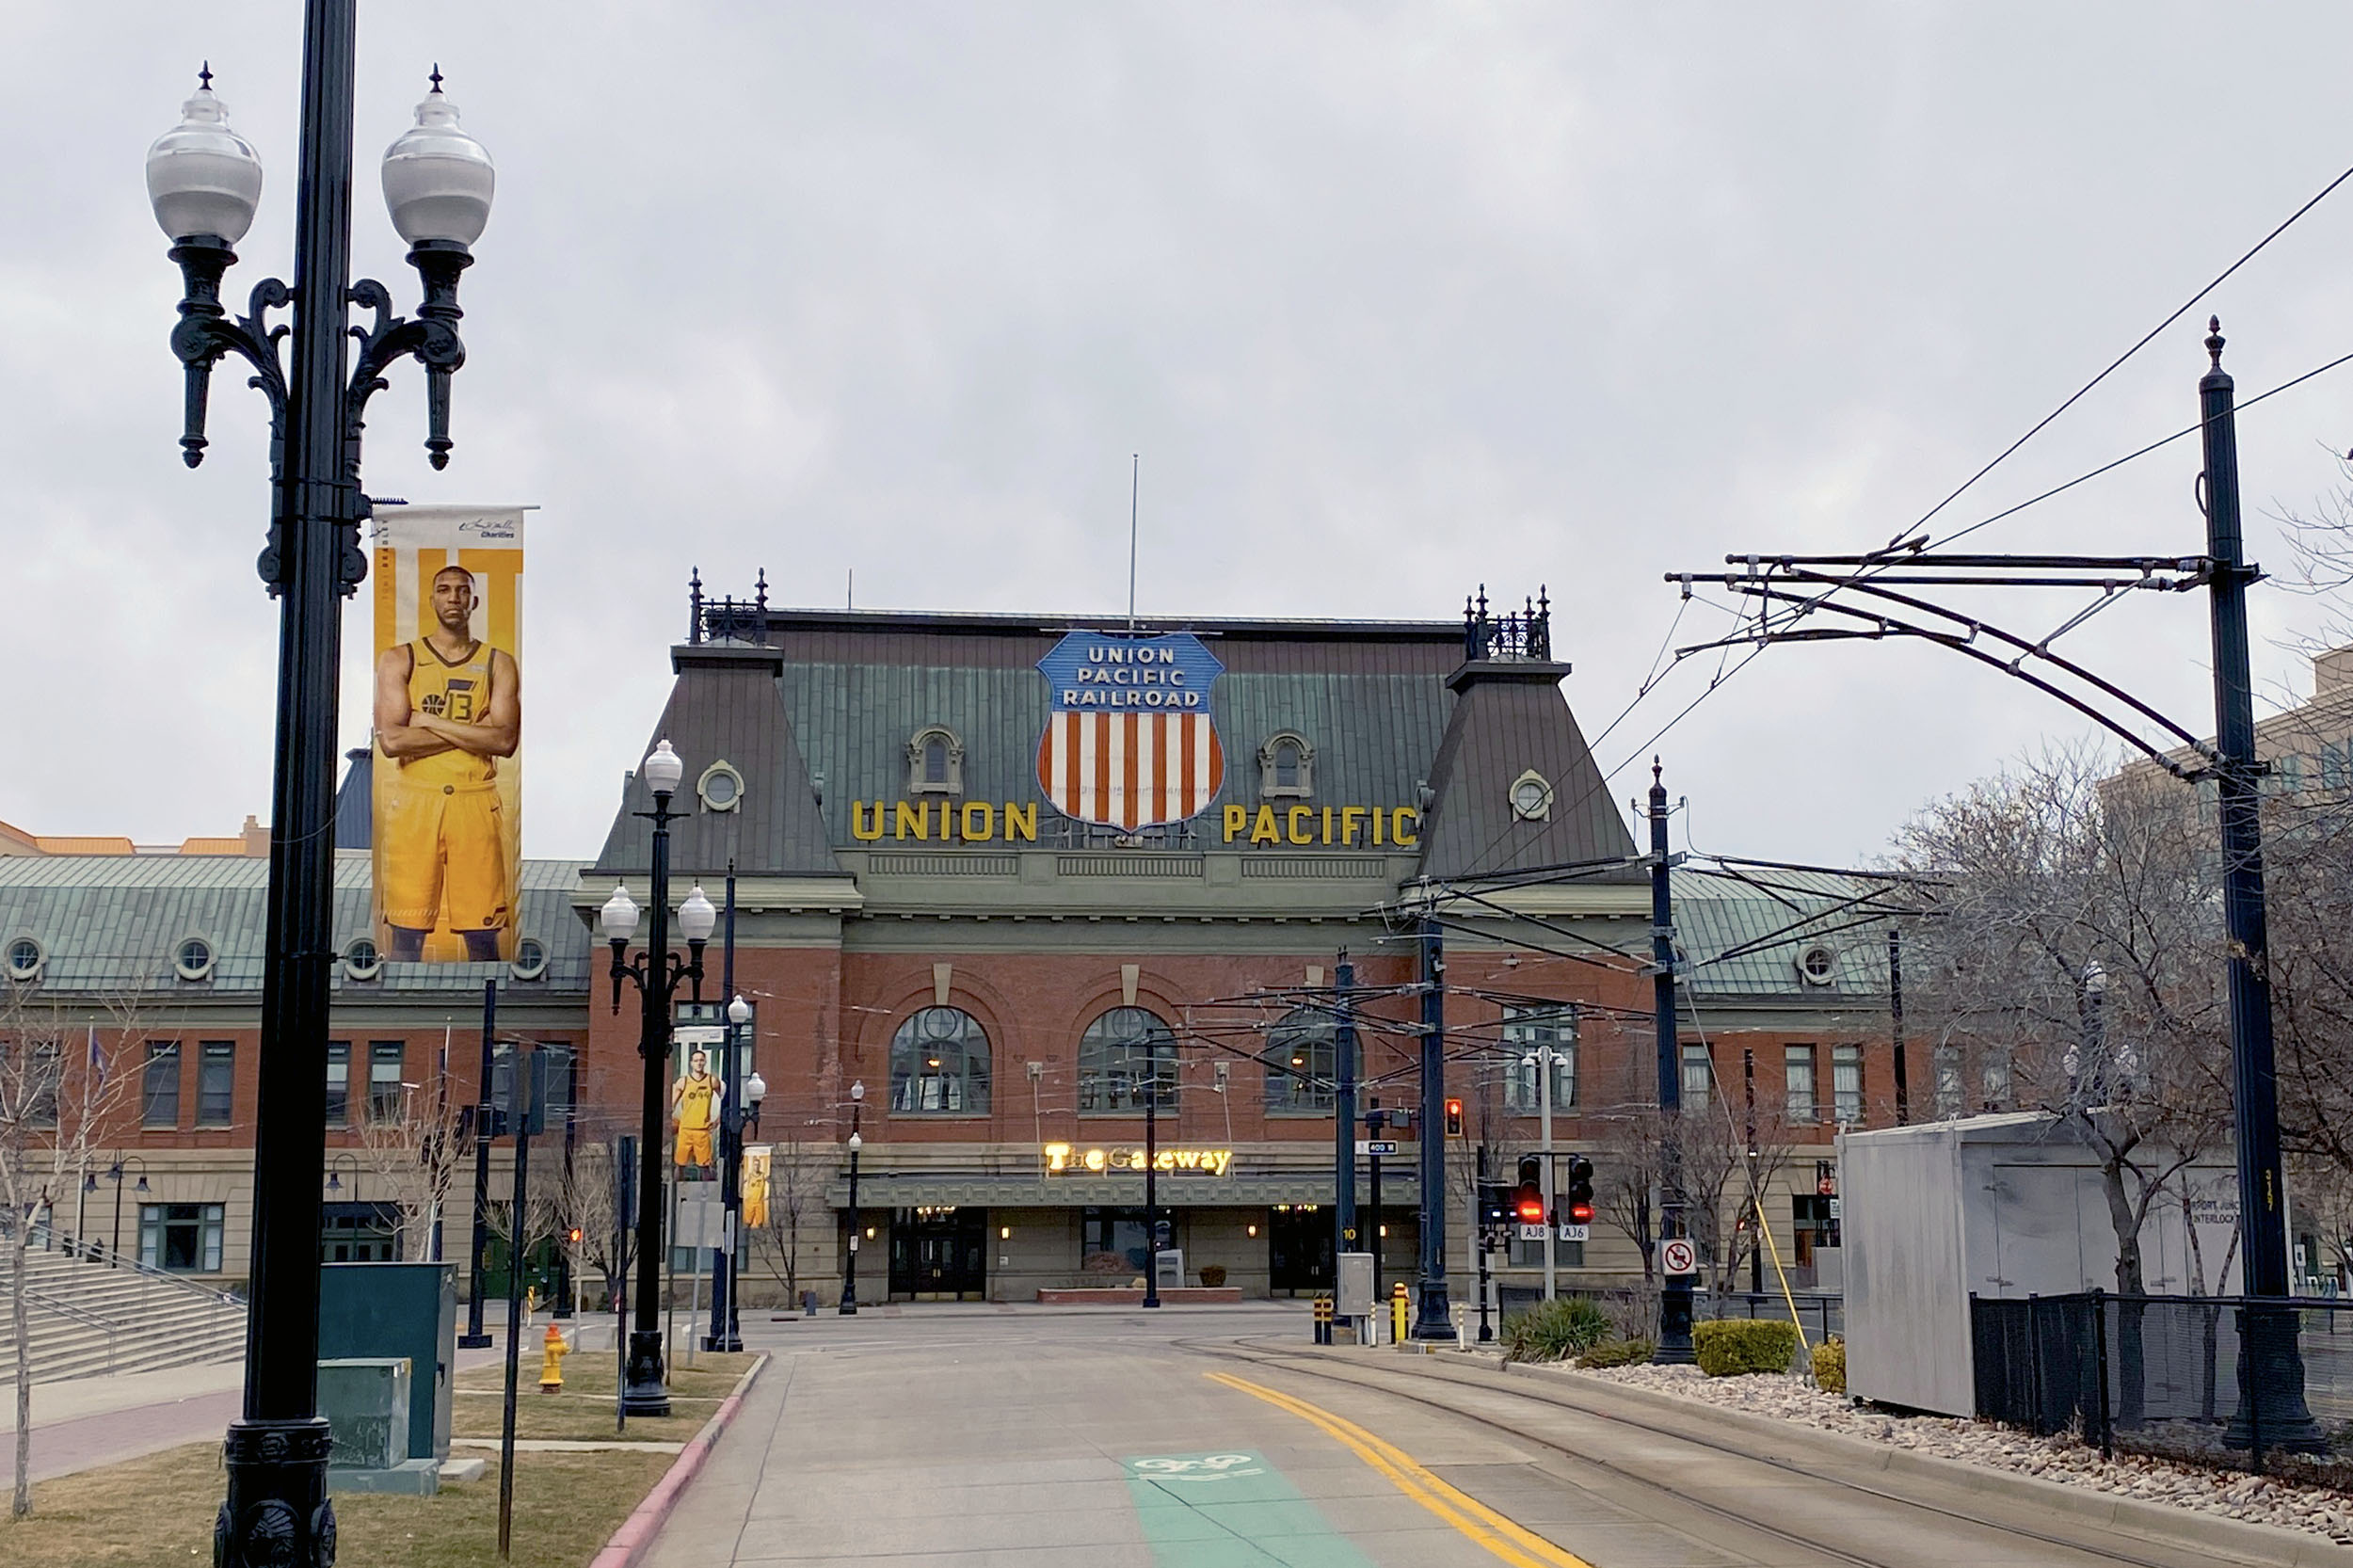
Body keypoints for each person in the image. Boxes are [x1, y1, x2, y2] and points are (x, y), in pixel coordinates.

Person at [374, 565, 520, 961]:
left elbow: (505, 740)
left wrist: (428, 720)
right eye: (444, 590)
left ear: (474, 601)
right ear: (432, 599)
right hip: (417, 800)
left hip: (474, 799)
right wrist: (473, 731)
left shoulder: (497, 663)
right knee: (406, 931)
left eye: (461, 591)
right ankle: (404, 1020)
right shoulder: (399, 659)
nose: (453, 598)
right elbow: (392, 740)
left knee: (483, 934)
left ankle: (483, 1021)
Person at [672, 1048, 723, 1177]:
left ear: (705, 1062)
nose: (699, 1063)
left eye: (701, 1060)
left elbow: (725, 1100)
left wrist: (719, 1119)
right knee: (680, 1164)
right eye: (696, 1061)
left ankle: (707, 1193)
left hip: (703, 1129)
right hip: (685, 1128)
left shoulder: (712, 1081)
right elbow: (670, 1104)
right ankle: (678, 1191)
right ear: (691, 1063)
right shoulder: (683, 1082)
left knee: (705, 1166)